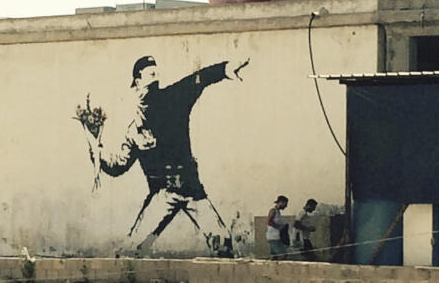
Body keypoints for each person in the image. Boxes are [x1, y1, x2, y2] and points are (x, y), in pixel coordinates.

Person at [80, 55, 250, 257]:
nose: (155, 79)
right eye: (150, 75)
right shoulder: (135, 130)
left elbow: (199, 79)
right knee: (132, 249)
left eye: (156, 75)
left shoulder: (173, 98)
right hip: (163, 195)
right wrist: (96, 150)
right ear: (137, 82)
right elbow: (118, 166)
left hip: (192, 190)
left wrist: (225, 69)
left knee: (223, 244)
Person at [266, 195, 289, 260]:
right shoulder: (273, 211)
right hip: (273, 237)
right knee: (283, 255)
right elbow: (269, 222)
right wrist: (279, 227)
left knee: (274, 256)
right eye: (285, 204)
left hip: (276, 236)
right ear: (281, 202)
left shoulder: (278, 212)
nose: (286, 206)